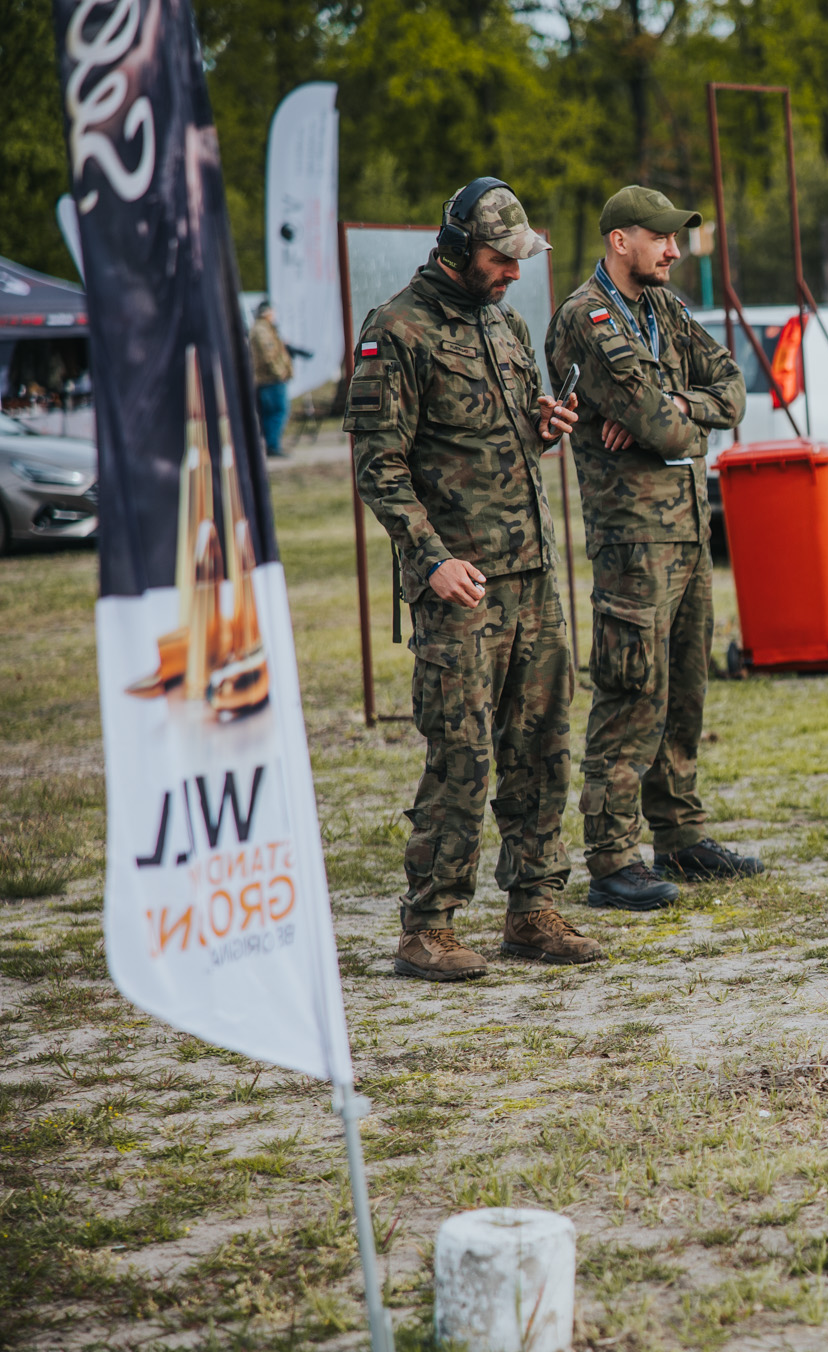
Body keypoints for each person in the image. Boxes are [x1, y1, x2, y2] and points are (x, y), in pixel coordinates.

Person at [344, 177, 600, 980]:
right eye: (501, 258)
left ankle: (532, 908)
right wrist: (430, 558)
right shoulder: (398, 330)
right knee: (463, 753)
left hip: (532, 575)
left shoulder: (508, 323)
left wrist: (545, 424)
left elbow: (514, 430)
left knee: (542, 748)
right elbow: (378, 466)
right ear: (458, 249)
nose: (514, 272)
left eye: (520, 259)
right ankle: (428, 925)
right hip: (461, 586)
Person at [546, 185, 756, 909]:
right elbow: (662, 429)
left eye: (673, 238)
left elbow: (731, 390)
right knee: (632, 691)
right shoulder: (587, 318)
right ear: (619, 242)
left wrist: (676, 410)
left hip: (689, 532)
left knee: (686, 688)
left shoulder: (661, 308)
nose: (673, 250)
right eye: (659, 237)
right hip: (633, 539)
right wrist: (663, 419)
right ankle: (611, 855)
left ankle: (680, 832)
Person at [249, 302, 294, 459]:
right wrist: (279, 372)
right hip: (270, 379)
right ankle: (272, 446)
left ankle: (270, 445)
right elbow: (268, 355)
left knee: (270, 413)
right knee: (277, 412)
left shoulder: (263, 328)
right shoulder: (262, 330)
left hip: (268, 379)